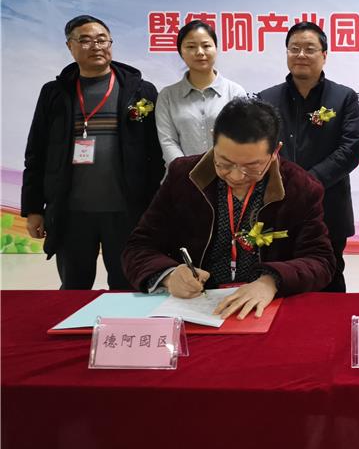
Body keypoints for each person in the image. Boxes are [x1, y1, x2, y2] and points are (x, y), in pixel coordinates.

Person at [122, 97, 334, 319]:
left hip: (263, 309)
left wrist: (271, 281)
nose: (236, 176)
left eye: (251, 167)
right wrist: (169, 275)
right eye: (224, 163)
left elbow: (321, 260)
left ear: (275, 152)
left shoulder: (300, 187)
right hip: (196, 306)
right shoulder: (183, 177)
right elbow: (139, 247)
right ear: (213, 139)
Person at [21, 14, 163, 289]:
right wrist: (33, 209)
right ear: (70, 46)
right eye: (85, 40)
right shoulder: (54, 93)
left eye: (102, 40)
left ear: (111, 43)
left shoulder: (140, 91)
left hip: (126, 212)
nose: (96, 46)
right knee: (74, 287)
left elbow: (155, 156)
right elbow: (36, 153)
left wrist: (154, 207)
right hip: (72, 212)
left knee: (127, 287)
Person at [258, 21, 359, 292]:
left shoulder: (344, 97)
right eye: (294, 48)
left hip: (329, 208)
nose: (301, 55)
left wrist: (305, 182)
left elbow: (350, 150)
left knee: (330, 276)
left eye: (309, 48)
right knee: (281, 278)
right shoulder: (266, 99)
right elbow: (257, 149)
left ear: (324, 55)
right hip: (278, 207)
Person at [155, 20, 246, 167]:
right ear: (181, 52)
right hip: (181, 176)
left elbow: (241, 138)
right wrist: (187, 172)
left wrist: (223, 170)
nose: (200, 52)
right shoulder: (167, 96)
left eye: (206, 46)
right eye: (191, 47)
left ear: (216, 48)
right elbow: (168, 141)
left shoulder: (235, 92)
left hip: (228, 175)